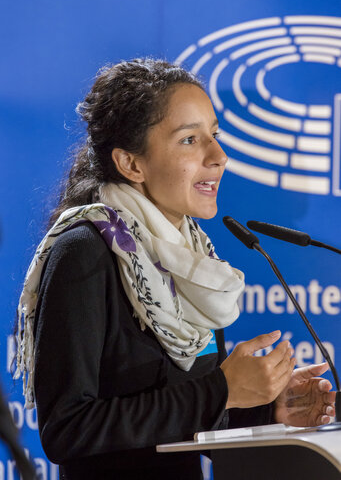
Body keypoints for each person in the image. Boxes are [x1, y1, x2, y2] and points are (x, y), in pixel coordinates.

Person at [15, 59, 335, 480]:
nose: (219, 156)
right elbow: (69, 430)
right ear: (132, 164)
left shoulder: (192, 261)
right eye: (189, 140)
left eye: (214, 136)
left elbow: (188, 415)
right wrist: (221, 390)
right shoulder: (85, 252)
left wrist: (266, 406)